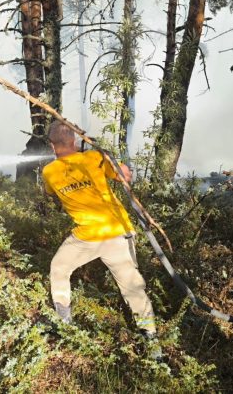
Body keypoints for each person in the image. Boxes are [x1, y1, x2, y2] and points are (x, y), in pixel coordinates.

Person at [42, 120, 158, 339]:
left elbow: (50, 193)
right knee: (132, 288)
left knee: (59, 267)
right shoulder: (95, 158)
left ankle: (65, 323)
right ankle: (151, 338)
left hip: (88, 237)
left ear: (51, 145)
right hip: (118, 231)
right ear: (75, 140)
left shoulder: (49, 171)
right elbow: (125, 176)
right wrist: (112, 162)